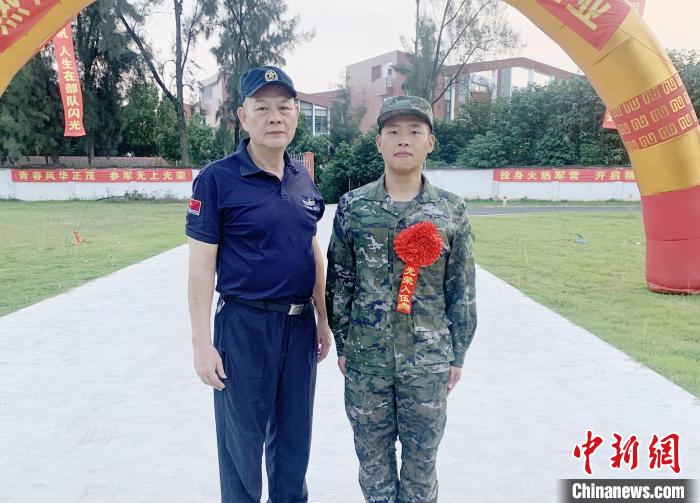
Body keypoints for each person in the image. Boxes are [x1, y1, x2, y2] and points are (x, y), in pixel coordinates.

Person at [186, 65, 331, 503]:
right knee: (241, 447)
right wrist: (202, 345)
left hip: (298, 327)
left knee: (293, 443)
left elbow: (311, 248)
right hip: (244, 327)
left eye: (284, 107)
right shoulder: (217, 180)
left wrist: (322, 318)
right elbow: (200, 267)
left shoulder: (302, 178)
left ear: (296, 114)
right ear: (243, 116)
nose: (275, 117)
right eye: (262, 107)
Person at [325, 95, 477, 503]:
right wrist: (344, 345)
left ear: (431, 142)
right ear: (379, 143)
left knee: (421, 466)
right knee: (372, 465)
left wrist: (457, 355)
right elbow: (340, 282)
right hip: (367, 363)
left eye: (414, 131)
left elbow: (461, 289)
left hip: (427, 363)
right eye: (392, 131)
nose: (403, 140)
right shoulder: (354, 207)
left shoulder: (451, 210)